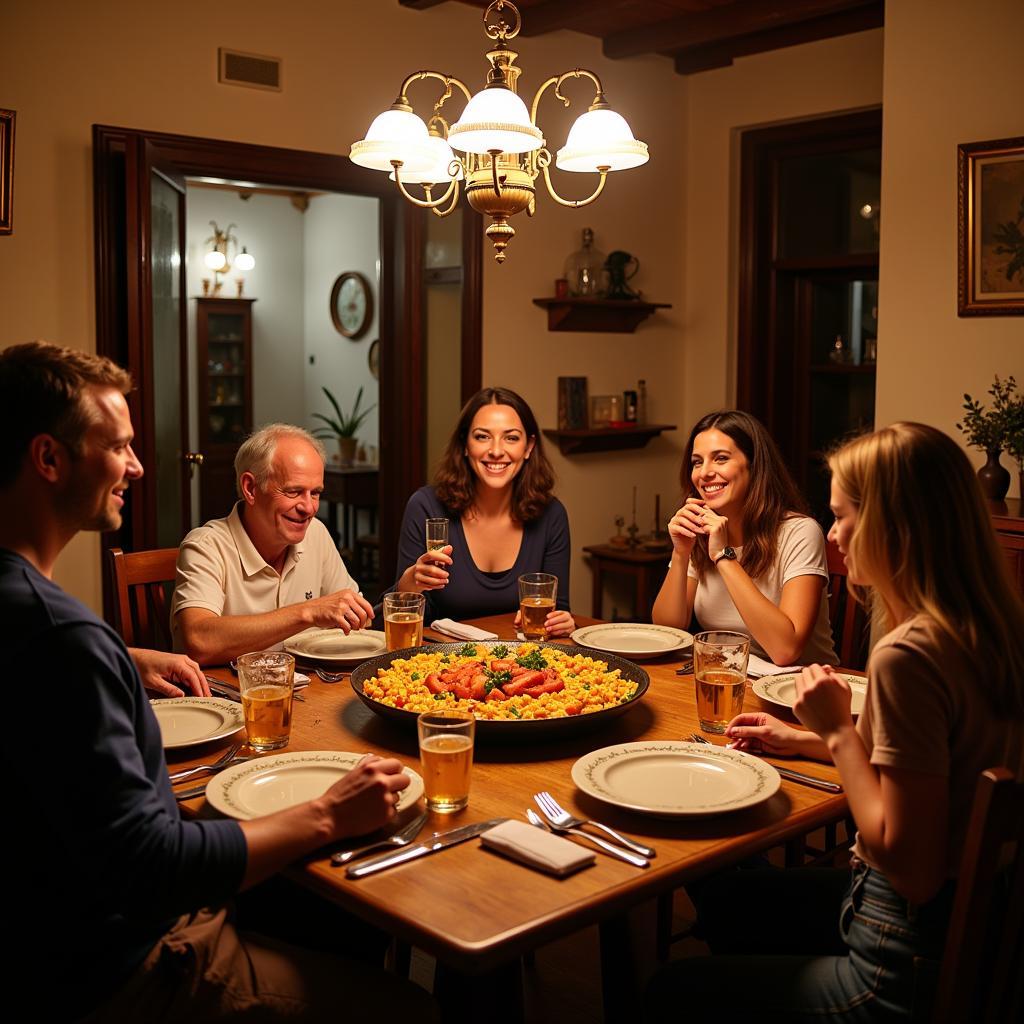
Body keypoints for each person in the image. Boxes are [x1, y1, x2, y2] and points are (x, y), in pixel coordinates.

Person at [0, 342, 432, 1021]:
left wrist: (124, 655)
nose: (138, 466)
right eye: (117, 446)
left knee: (349, 915)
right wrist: (327, 813)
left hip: (53, 925)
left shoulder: (36, 616)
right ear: (50, 459)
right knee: (410, 1005)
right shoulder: (65, 641)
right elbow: (154, 865)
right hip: (121, 964)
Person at [644, 422, 1024, 1022]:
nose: (836, 536)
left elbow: (914, 870)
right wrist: (804, 737)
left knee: (670, 991)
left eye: (845, 517)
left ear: (899, 527)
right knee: (721, 884)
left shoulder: (909, 657)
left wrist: (841, 733)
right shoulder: (983, 630)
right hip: (963, 920)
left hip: (896, 954)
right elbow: (924, 776)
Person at [172, 423, 374, 665]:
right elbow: (198, 641)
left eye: (316, 493)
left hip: (308, 691)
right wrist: (308, 612)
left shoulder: (316, 533)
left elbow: (358, 618)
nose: (308, 508)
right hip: (225, 698)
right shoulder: (206, 546)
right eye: (294, 491)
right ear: (251, 488)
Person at [652, 409, 835, 666]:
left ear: (754, 464)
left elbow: (786, 650)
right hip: (728, 677)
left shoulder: (800, 532)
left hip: (802, 688)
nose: (704, 473)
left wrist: (723, 556)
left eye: (721, 458)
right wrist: (680, 553)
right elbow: (667, 632)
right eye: (697, 462)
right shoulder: (701, 529)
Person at [394, 386, 575, 635]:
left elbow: (558, 611)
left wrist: (562, 622)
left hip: (522, 665)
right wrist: (411, 582)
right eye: (482, 437)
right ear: (465, 444)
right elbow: (398, 615)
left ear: (528, 446)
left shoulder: (551, 515)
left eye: (511, 437)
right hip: (441, 664)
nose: (497, 450)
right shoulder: (425, 506)